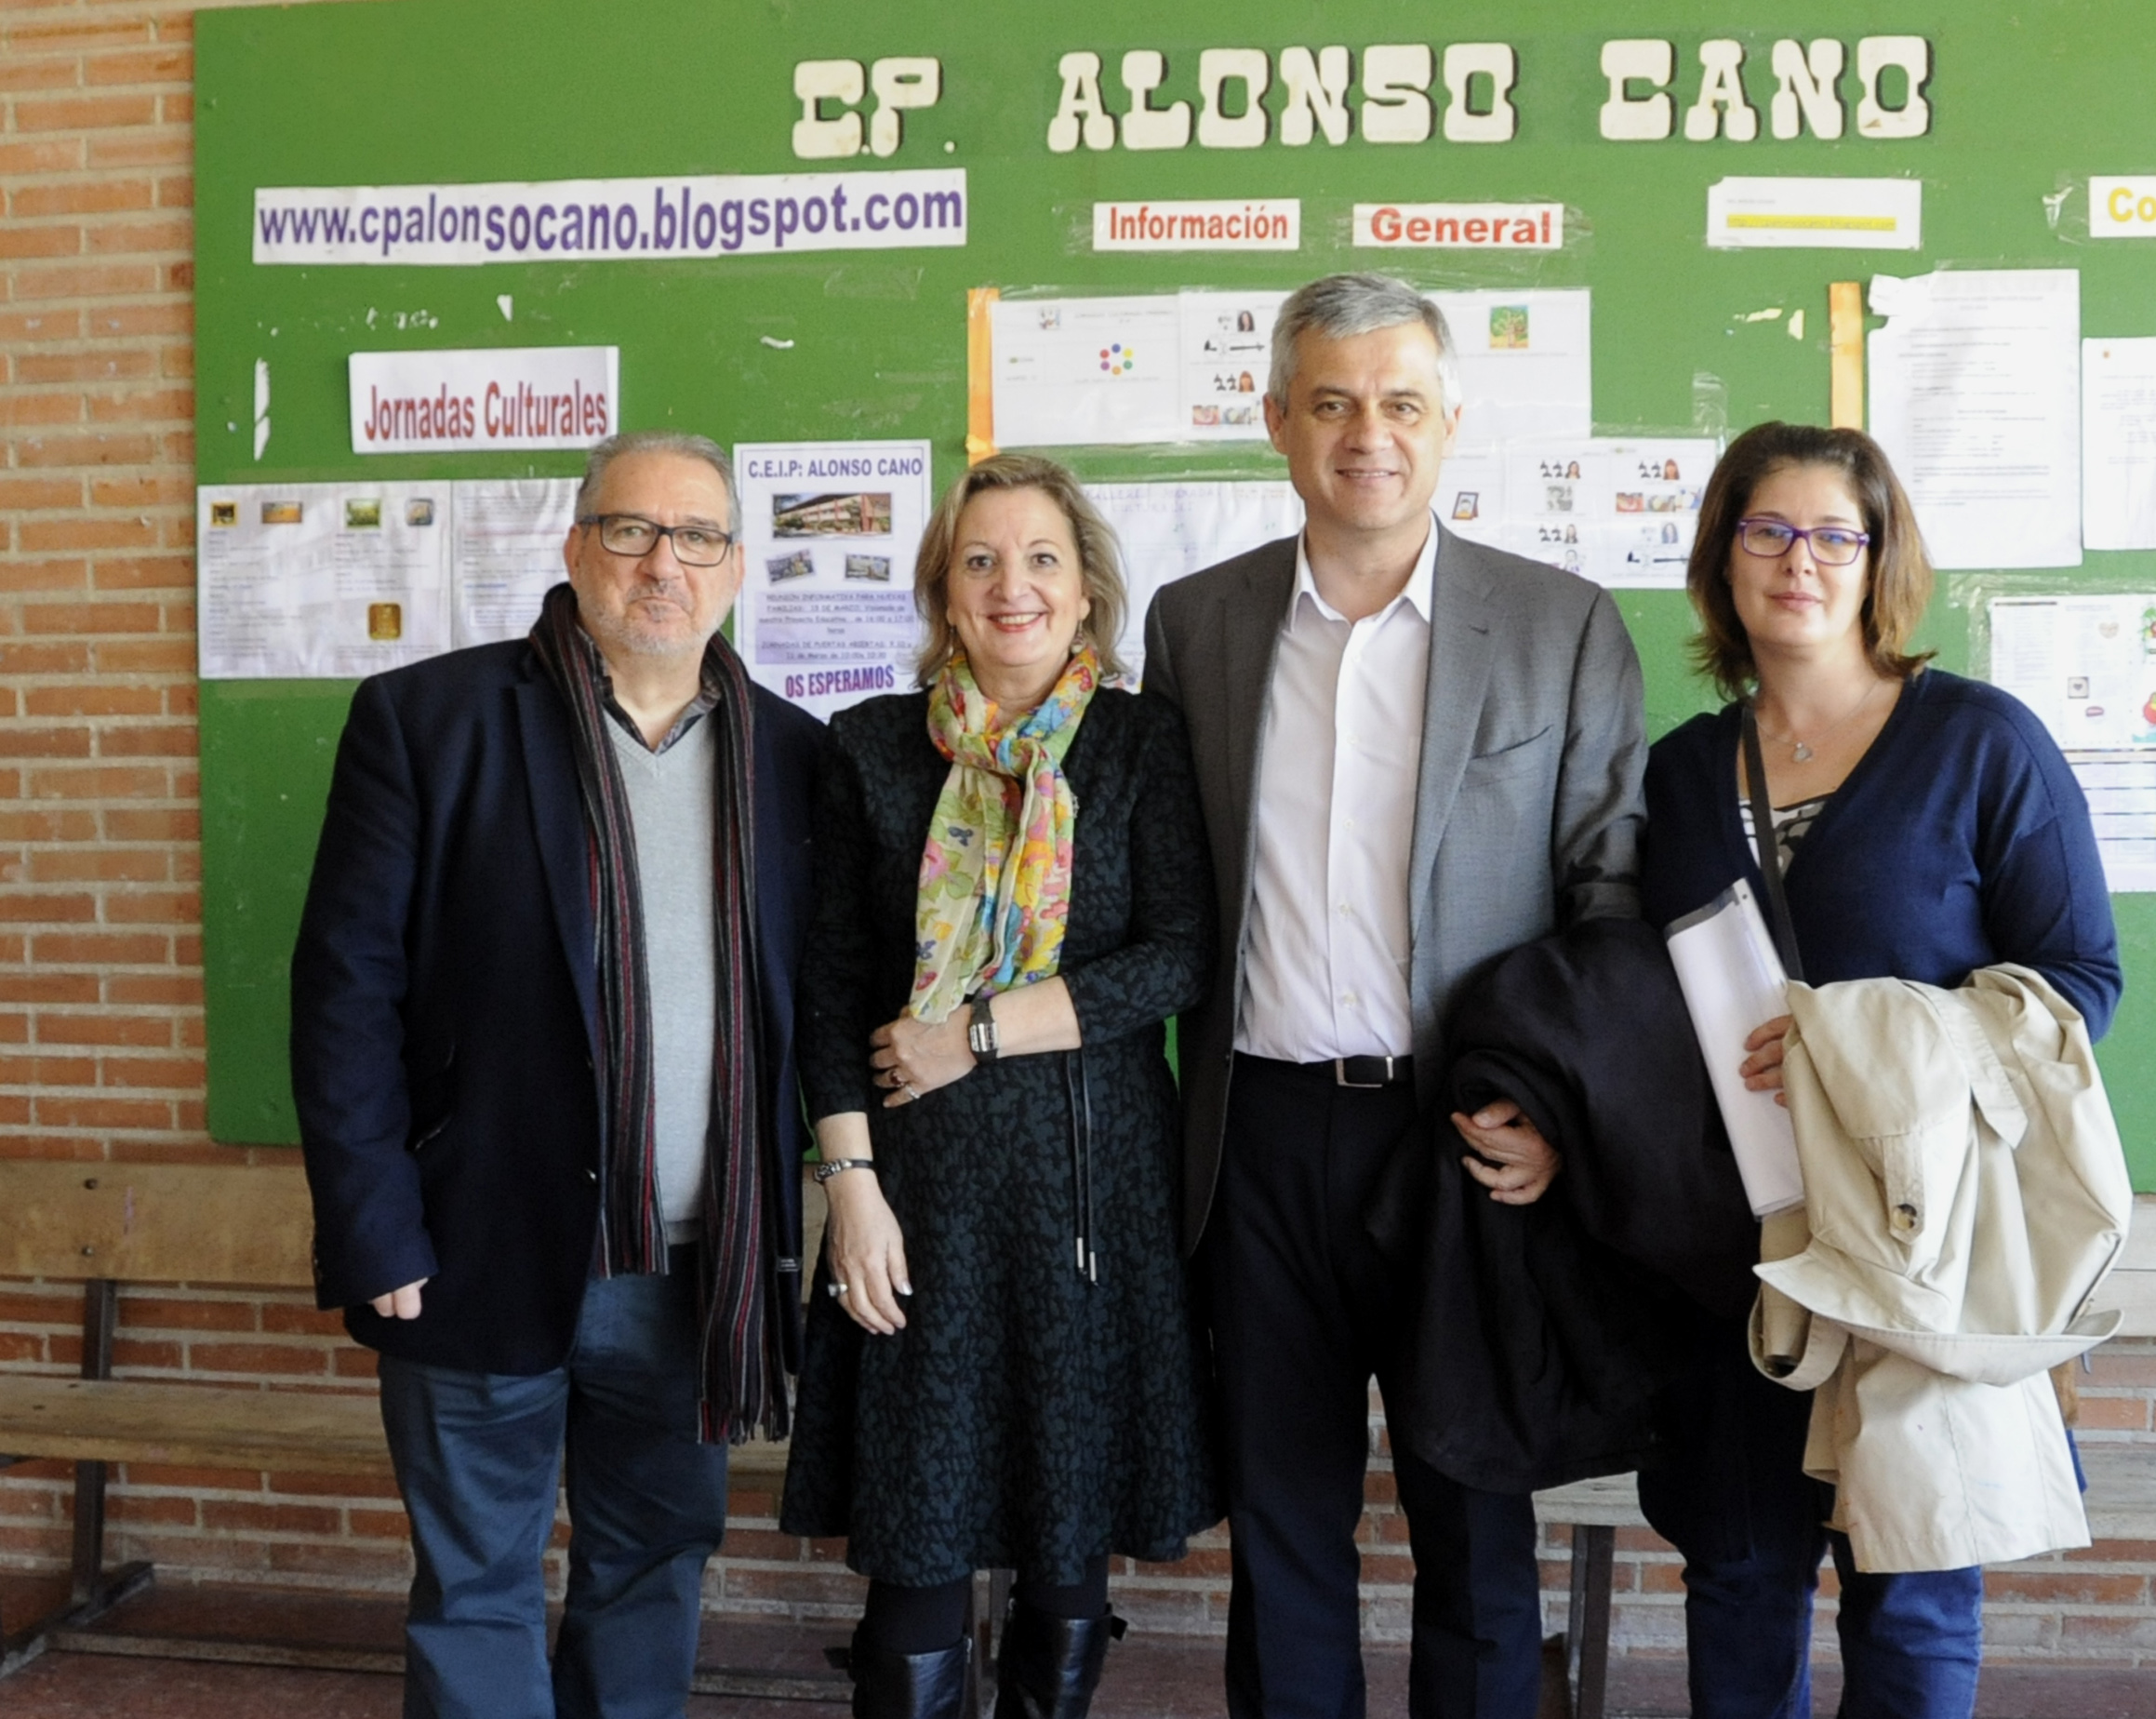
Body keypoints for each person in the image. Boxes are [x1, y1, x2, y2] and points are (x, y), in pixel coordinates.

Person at [1142, 273, 1647, 1719]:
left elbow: (1609, 908)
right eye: (1335, 402)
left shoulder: (1558, 626)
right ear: (1277, 421)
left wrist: (1558, 1124)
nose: (1371, 433)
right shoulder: (1199, 625)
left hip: (1469, 1143)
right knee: (1284, 1525)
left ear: (1449, 422)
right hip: (1260, 1144)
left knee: (1475, 1523)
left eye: (1403, 403)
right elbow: (1169, 885)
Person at [290, 430, 825, 1719]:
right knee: (476, 1584)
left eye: (697, 536)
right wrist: (375, 1229)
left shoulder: (795, 760)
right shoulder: (430, 721)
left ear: (738, 567)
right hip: (476, 1244)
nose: (664, 563)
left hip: (694, 1271)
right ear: (577, 547)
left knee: (652, 1568)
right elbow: (345, 994)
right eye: (631, 530)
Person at [1633, 421, 2123, 1719]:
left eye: (1835, 534)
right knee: (1738, 1578)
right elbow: (1632, 990)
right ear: (1725, 558)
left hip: (1921, 1251)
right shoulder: (1682, 775)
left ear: (1878, 559)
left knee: (1910, 1593)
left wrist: (1864, 1033)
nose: (1801, 561)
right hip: (1736, 1251)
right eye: (1768, 530)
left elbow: (2078, 983)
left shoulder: (1979, 743)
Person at [778, 454, 1218, 1719]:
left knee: (1065, 1546)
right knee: (915, 1541)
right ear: (942, 595)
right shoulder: (868, 749)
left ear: (1087, 594)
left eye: (1041, 560)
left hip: (1093, 1205)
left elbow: (1178, 959)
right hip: (919, 1208)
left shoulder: (1139, 744)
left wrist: (972, 1030)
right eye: (980, 561)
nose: (1010, 586)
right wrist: (849, 1191)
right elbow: (831, 993)